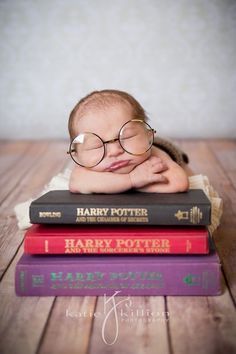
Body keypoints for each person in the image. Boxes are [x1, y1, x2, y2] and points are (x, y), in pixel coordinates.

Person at [68, 89, 189, 194]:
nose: (115, 151)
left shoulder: (155, 157)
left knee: (188, 171)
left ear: (148, 136)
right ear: (78, 157)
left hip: (166, 147)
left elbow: (179, 183)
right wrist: (131, 180)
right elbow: (76, 183)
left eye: (126, 137)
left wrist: (109, 185)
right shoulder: (85, 167)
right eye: (96, 146)